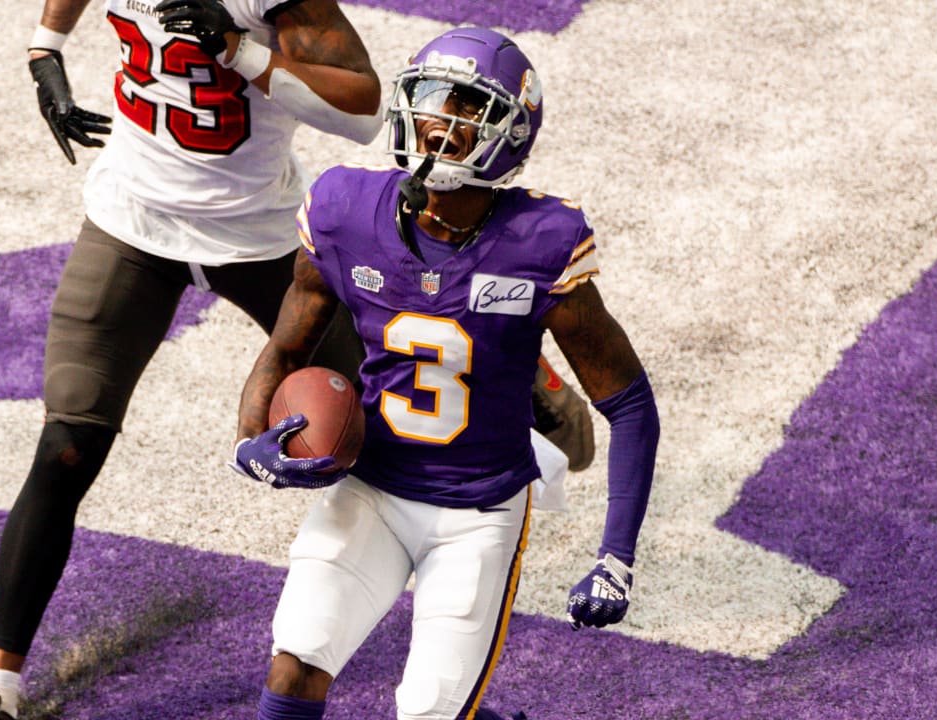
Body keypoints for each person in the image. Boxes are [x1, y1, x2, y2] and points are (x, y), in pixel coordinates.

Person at [0, 2, 594, 719]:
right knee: (67, 443)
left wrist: (240, 50)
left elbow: (362, 107)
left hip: (260, 235)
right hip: (131, 220)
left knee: (402, 379)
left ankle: (520, 372)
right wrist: (46, 46)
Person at [229, 26, 659, 720]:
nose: (442, 120)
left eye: (468, 103)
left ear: (511, 130)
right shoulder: (344, 212)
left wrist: (616, 556)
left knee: (429, 710)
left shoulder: (542, 242)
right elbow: (285, 348)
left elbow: (630, 403)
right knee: (294, 662)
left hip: (479, 512)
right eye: (432, 98)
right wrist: (251, 440)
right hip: (373, 484)